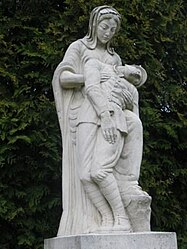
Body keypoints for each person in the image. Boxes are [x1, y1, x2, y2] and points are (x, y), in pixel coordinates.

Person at [52, 5, 150, 236]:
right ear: (94, 25)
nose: (107, 33)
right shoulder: (79, 47)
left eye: (112, 29)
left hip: (110, 114)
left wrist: (123, 76)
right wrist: (90, 77)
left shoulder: (115, 58)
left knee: (100, 169)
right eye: (104, 27)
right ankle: (105, 217)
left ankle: (117, 218)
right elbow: (64, 78)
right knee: (85, 172)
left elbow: (123, 86)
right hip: (85, 114)